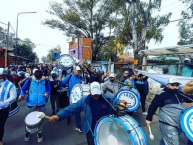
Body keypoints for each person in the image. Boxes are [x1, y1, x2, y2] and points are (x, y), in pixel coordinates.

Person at [49, 82, 128, 145]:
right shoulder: (84, 101)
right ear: (89, 91)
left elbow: (117, 103)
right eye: (94, 93)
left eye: (97, 93)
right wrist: (59, 116)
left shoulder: (108, 99)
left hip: (106, 128)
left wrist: (122, 103)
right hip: (91, 129)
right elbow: (72, 108)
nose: (96, 95)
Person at [146, 78, 193, 145]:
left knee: (166, 140)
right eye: (172, 85)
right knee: (173, 142)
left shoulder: (180, 94)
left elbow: (190, 98)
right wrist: (149, 118)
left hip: (178, 124)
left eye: (177, 85)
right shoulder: (161, 95)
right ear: (167, 85)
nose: (175, 87)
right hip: (168, 125)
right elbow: (153, 106)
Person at [19, 70, 51, 143]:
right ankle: (27, 133)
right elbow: (23, 89)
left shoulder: (45, 81)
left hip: (41, 103)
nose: (37, 79)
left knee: (41, 120)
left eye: (39, 78)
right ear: (33, 75)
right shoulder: (30, 80)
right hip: (31, 104)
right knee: (28, 120)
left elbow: (49, 89)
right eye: (36, 78)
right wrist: (22, 95)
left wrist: (47, 93)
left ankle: (39, 133)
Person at [59, 66, 85, 132]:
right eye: (76, 70)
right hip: (70, 97)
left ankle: (78, 126)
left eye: (79, 71)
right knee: (69, 109)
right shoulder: (70, 76)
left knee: (77, 111)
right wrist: (60, 81)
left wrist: (83, 83)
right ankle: (68, 119)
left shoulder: (81, 77)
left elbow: (84, 85)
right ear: (74, 70)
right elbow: (62, 83)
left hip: (78, 97)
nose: (77, 72)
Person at [0, 68, 17, 145]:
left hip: (3, 109)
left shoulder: (10, 85)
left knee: (1, 124)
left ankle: (0, 139)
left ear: (4, 75)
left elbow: (13, 98)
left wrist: (3, 103)